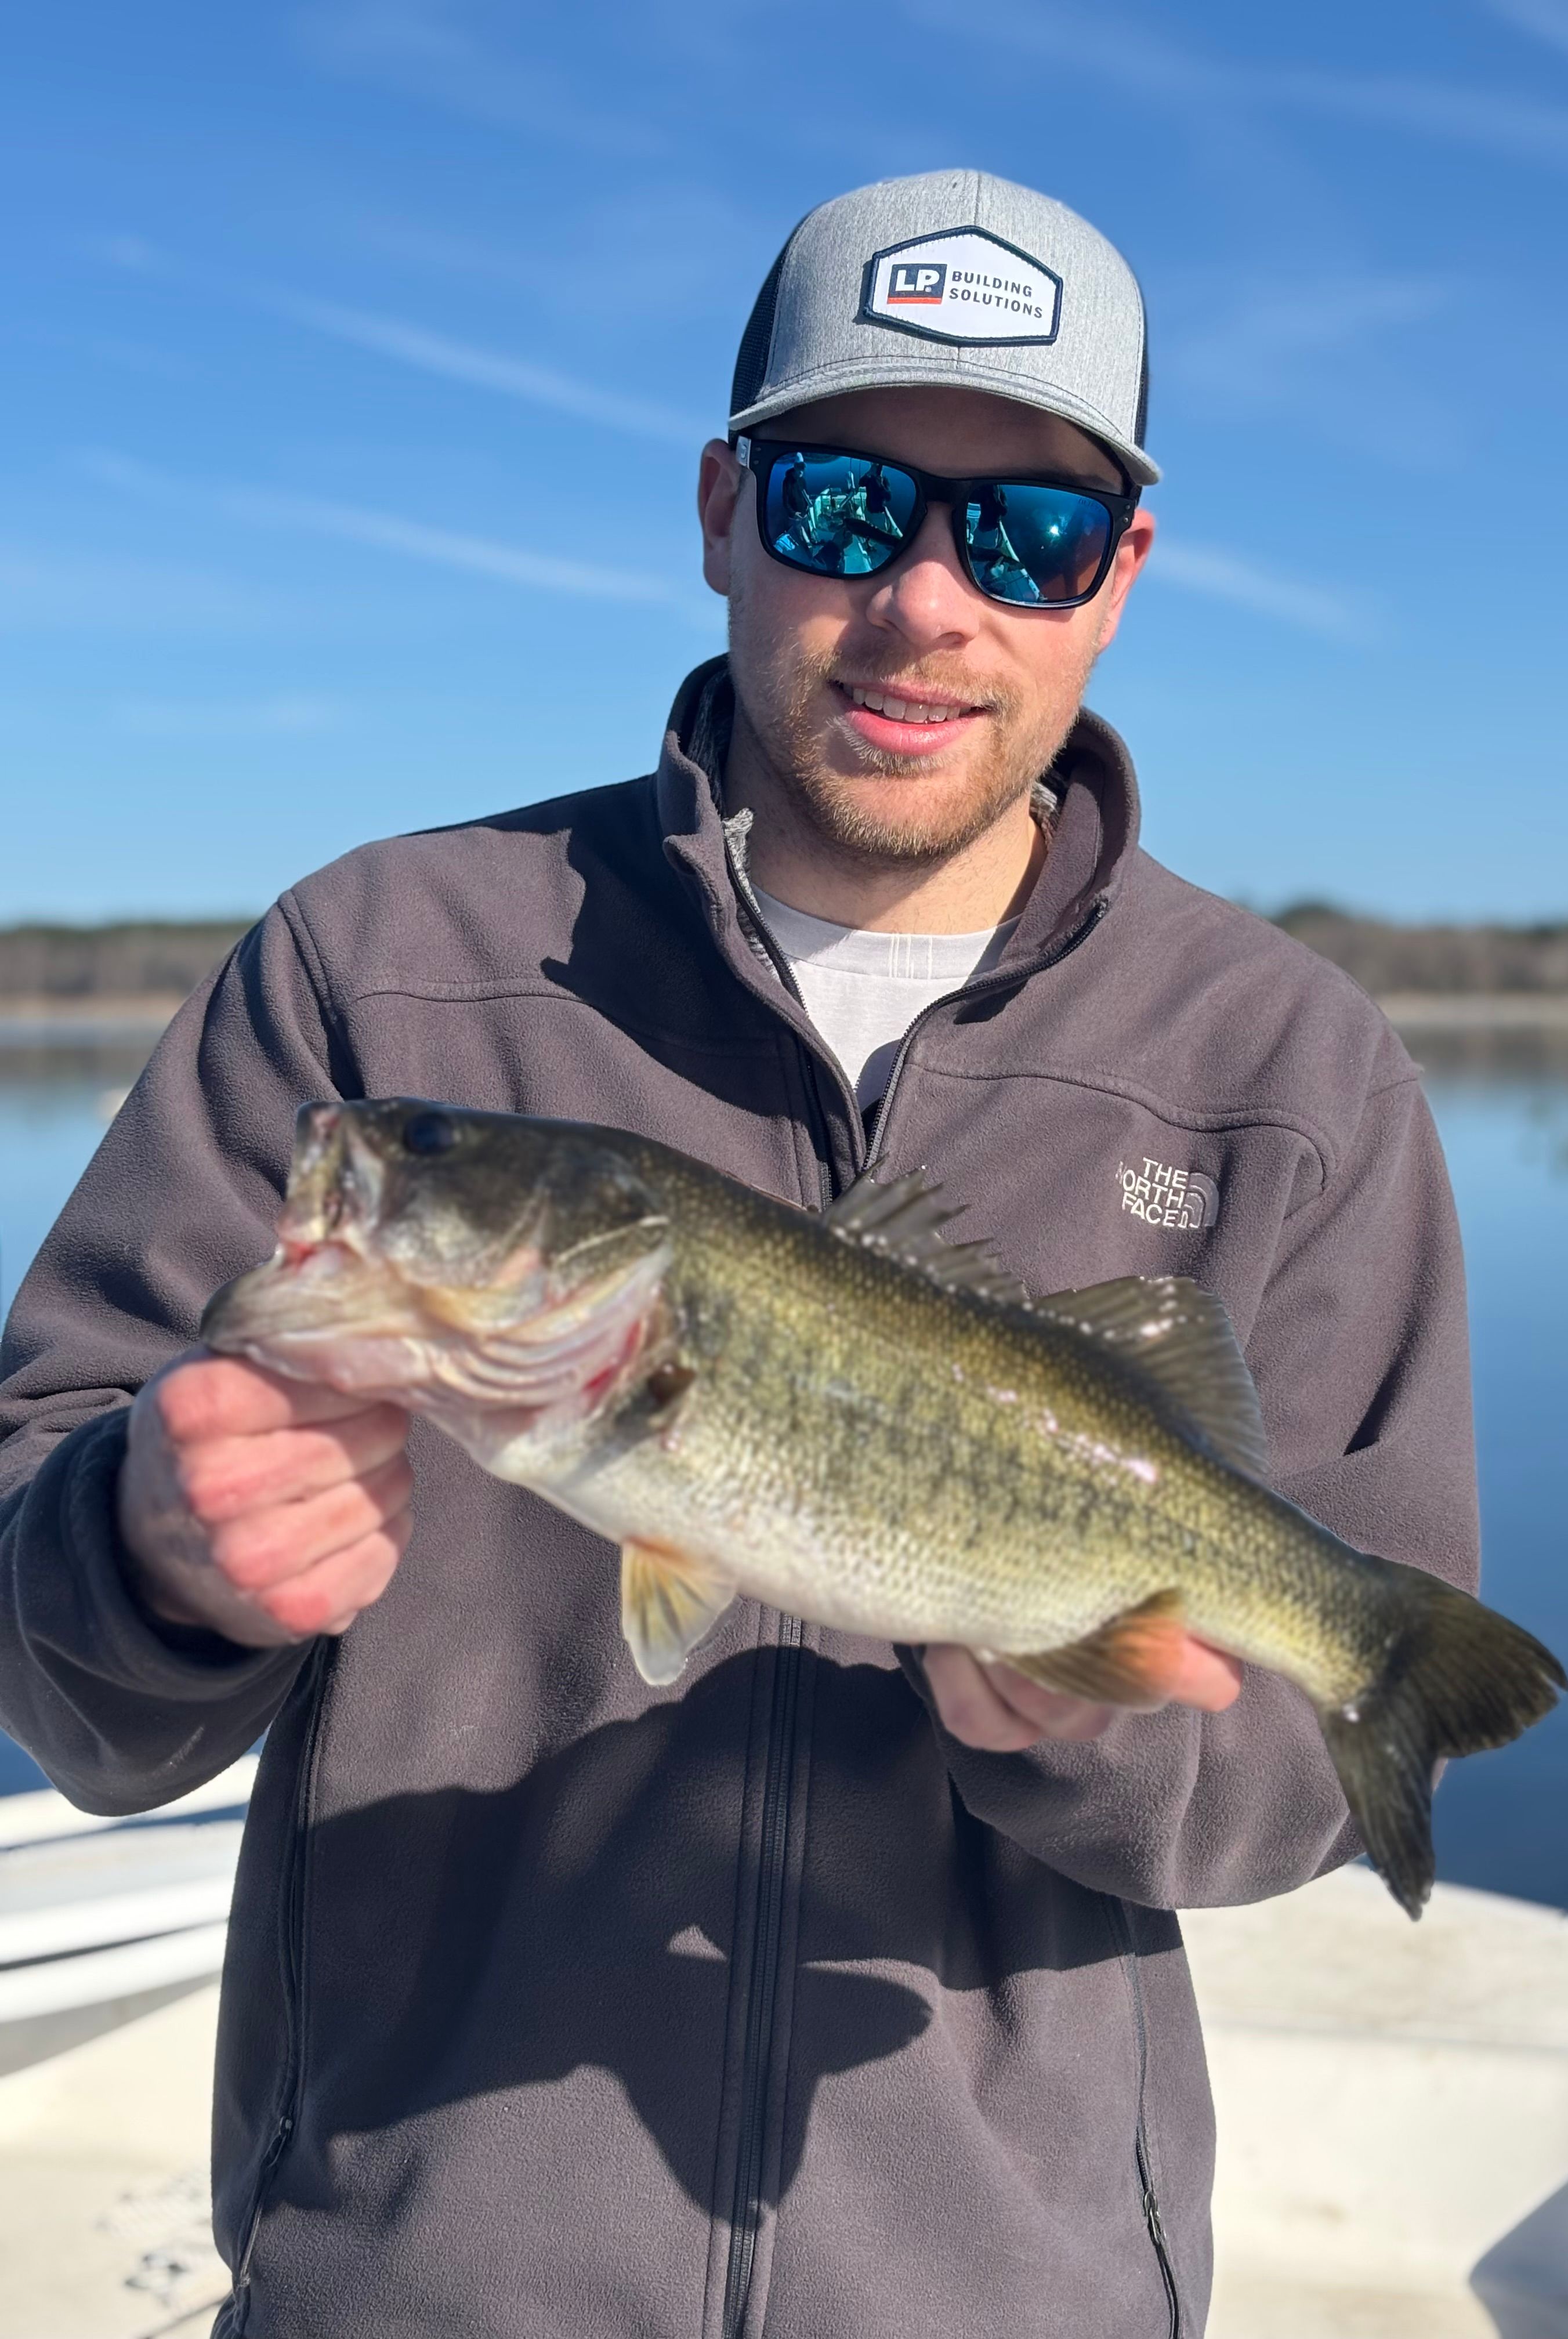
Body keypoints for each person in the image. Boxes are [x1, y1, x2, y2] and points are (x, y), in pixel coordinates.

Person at [0, 171, 1479, 2339]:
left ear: (1121, 579)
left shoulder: (1288, 1072)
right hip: (410, 2285)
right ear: (723, 511)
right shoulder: (373, 971)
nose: (928, 603)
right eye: (846, 506)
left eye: (1031, 533)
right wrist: (147, 1554)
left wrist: (1083, 1720)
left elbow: (1280, 1797)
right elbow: (52, 1658)